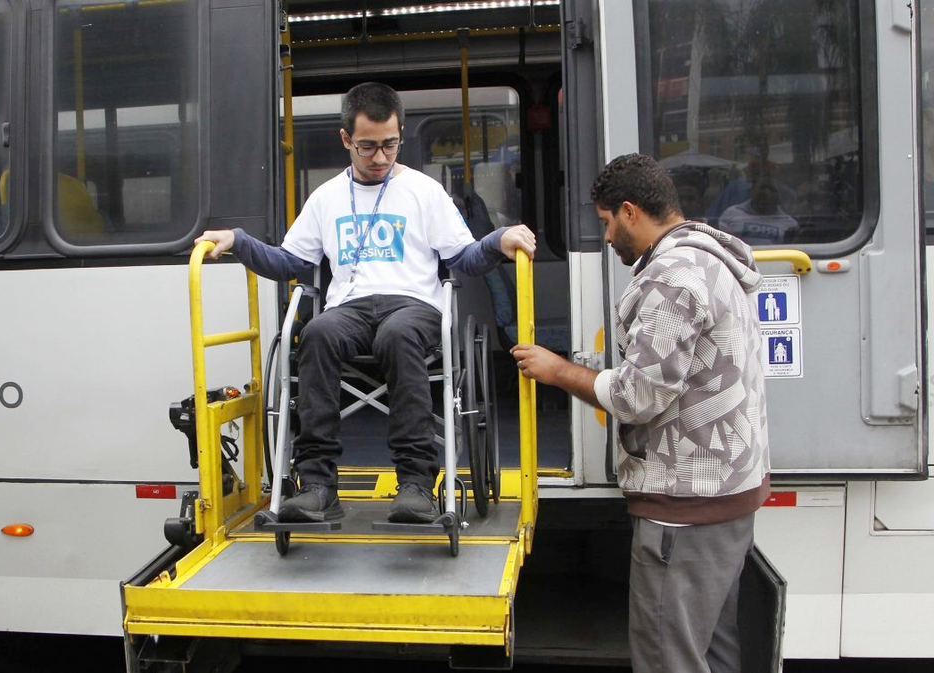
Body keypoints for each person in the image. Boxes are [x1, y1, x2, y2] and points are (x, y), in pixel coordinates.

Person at [195, 82, 535, 525]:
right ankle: (317, 485)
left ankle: (415, 484)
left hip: (412, 306)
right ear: (345, 140)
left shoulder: (424, 192)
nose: (380, 157)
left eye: (390, 145)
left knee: (398, 335)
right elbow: (288, 261)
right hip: (350, 309)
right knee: (314, 332)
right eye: (368, 147)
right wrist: (238, 242)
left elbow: (462, 258)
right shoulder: (326, 198)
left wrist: (497, 240)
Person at [512, 153, 770, 672]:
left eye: (606, 223)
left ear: (630, 211)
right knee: (713, 651)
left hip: (684, 505)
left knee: (666, 657)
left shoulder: (671, 279)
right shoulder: (709, 257)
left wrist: (557, 370)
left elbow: (638, 396)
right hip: (728, 494)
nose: (606, 239)